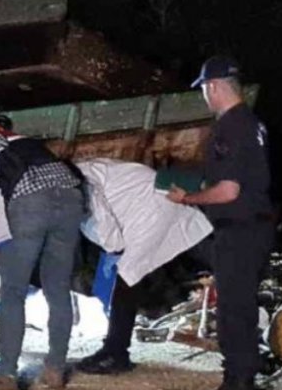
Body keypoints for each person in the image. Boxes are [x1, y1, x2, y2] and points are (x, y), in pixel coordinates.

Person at [167, 55, 275, 390]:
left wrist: (189, 198)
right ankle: (233, 385)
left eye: (203, 91)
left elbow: (228, 191)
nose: (204, 97)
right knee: (235, 309)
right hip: (253, 227)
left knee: (236, 312)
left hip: (240, 230)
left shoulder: (231, 127)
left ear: (212, 87)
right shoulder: (252, 123)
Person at [0, 128, 84, 390]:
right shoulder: (28, 141)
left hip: (31, 205)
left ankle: (5, 376)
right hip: (72, 199)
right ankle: (55, 370)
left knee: (13, 291)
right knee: (58, 288)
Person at [73, 159, 213, 375]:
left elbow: (112, 240)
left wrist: (113, 249)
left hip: (151, 209)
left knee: (128, 277)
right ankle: (115, 349)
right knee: (131, 273)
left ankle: (116, 353)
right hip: (145, 199)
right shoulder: (80, 173)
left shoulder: (87, 191)